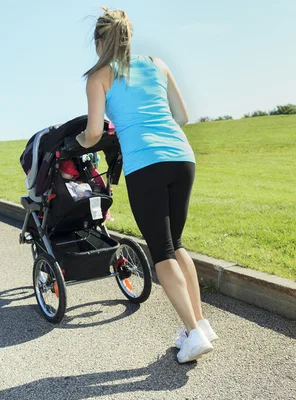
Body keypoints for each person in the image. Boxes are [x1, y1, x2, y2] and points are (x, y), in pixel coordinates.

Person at [75, 7, 217, 363]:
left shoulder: (98, 77)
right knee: (177, 243)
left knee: (162, 253)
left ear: (99, 42)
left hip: (146, 164)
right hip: (182, 158)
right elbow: (183, 116)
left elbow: (93, 133)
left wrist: (78, 142)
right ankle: (199, 323)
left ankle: (194, 335)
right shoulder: (157, 63)